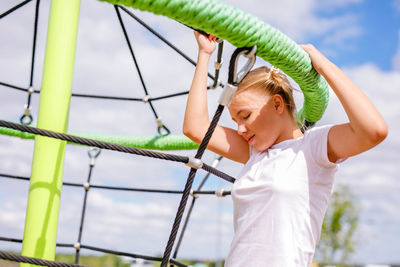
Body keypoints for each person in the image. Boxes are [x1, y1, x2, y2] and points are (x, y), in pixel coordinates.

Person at [183, 31, 388, 267]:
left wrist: (323, 65)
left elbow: (374, 131)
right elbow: (196, 127)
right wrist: (204, 54)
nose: (239, 128)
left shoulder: (312, 147)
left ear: (277, 104)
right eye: (234, 120)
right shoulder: (255, 154)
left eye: (245, 116)